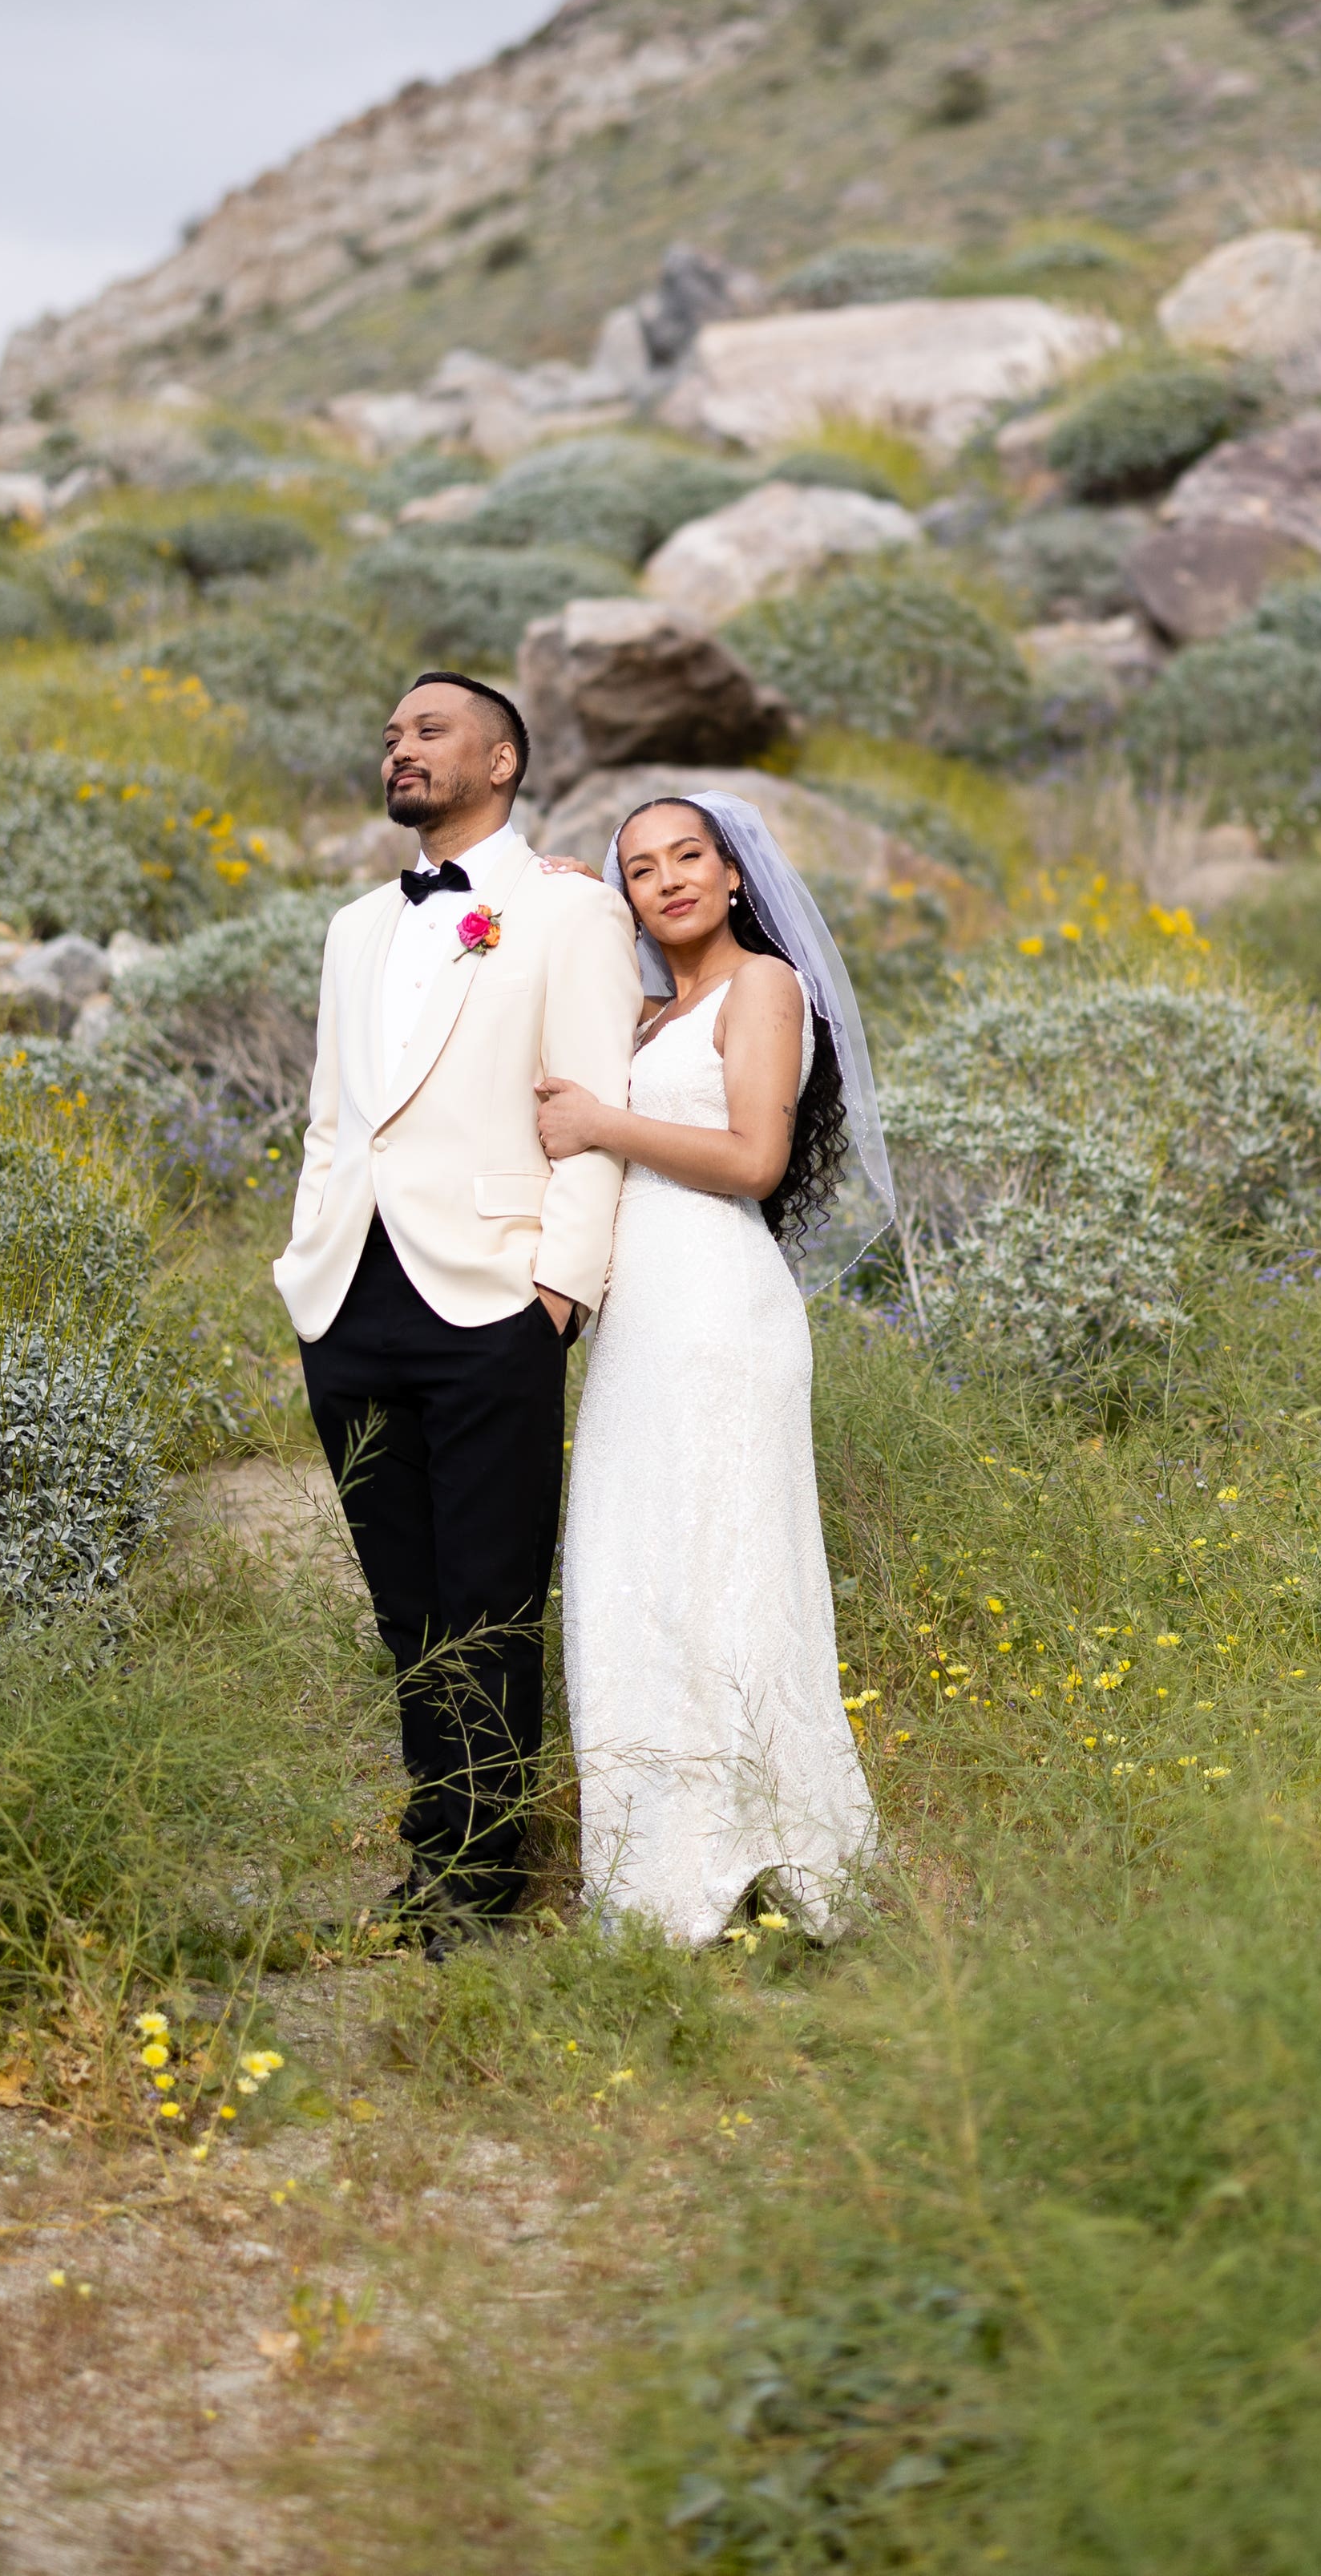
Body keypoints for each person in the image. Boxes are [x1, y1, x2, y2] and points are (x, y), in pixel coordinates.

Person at [273, 671, 642, 1947]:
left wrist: (559, 1291)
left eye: (429, 732)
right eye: (390, 735)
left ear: (501, 762)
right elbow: (333, 1117)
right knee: (405, 1608)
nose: (401, 749)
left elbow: (592, 1105)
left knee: (491, 1602)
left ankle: (485, 1882)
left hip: (491, 1295)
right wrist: (305, 1268)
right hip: (348, 1299)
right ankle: (432, 1851)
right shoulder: (353, 929)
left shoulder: (568, 914)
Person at [534, 791, 888, 1946]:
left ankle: (772, 1858)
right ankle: (657, 1874)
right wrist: (542, 893)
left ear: (736, 875)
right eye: (641, 868)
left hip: (721, 1318)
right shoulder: (639, 1017)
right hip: (643, 1328)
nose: (669, 878)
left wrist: (600, 1125)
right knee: (634, 1576)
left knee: (728, 1574)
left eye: (691, 855)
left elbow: (752, 1156)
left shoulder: (764, 989)